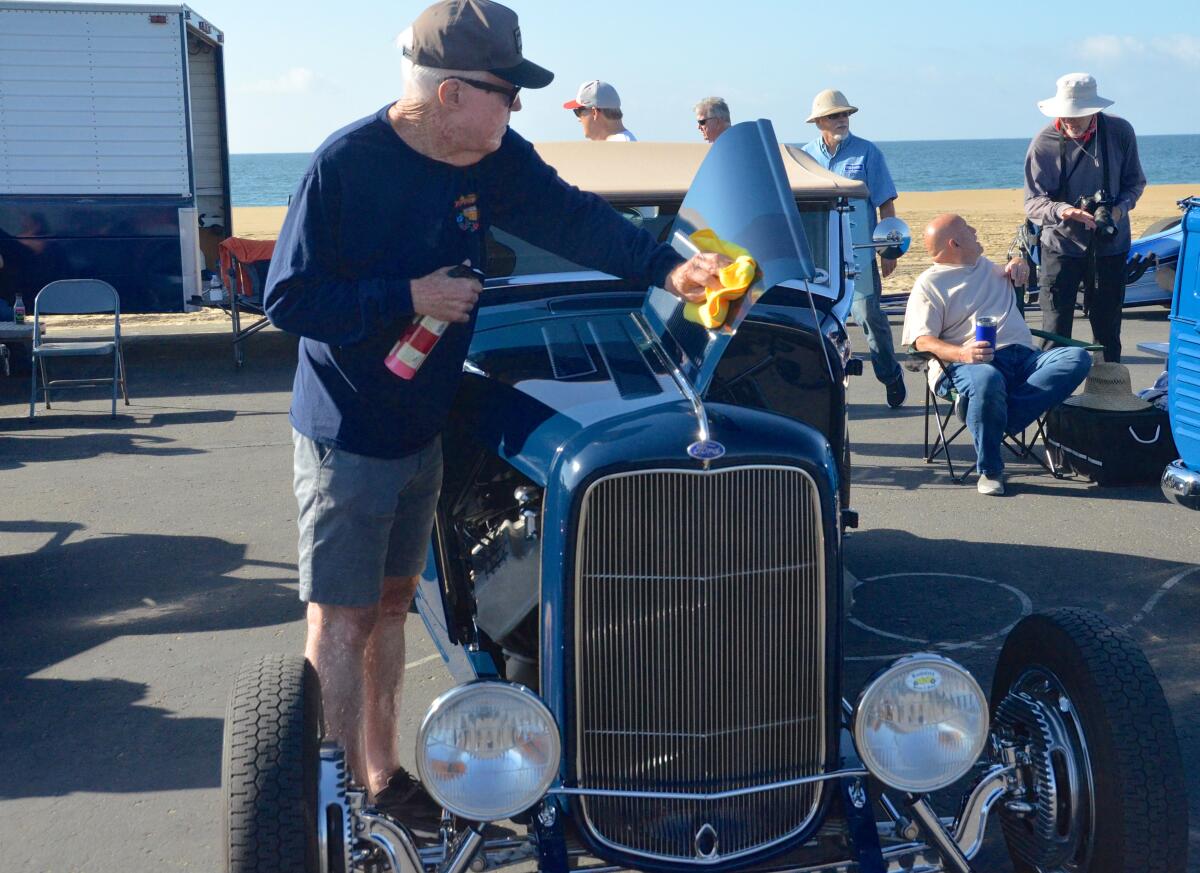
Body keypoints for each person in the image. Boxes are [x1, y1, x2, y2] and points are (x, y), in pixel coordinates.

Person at [263, 0, 725, 832]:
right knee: (341, 616)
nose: (516, 108)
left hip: (423, 420)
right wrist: (409, 296)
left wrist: (669, 267)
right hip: (350, 430)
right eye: (504, 92)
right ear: (448, 96)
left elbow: (570, 215)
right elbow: (289, 299)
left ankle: (378, 774)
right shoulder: (345, 165)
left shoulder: (491, 156)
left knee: (396, 601)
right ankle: (326, 810)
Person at [902, 214, 1092, 495]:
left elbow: (1018, 268)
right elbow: (922, 341)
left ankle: (995, 418)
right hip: (968, 366)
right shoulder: (930, 284)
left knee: (1076, 358)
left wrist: (1020, 265)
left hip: (1025, 359)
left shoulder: (990, 268)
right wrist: (962, 353)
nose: (976, 229)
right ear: (954, 243)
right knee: (987, 380)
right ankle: (990, 470)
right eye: (968, 228)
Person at [1024, 72, 1145, 363]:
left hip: (1110, 246)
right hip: (1061, 247)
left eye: (1077, 115)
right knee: (1055, 333)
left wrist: (1115, 210)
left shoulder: (1119, 132)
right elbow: (1032, 203)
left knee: (1107, 334)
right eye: (1065, 115)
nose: (1070, 121)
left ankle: (1106, 401)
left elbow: (1135, 183)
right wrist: (1063, 211)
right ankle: (1053, 406)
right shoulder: (1044, 142)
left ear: (1095, 111)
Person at [801, 88, 906, 408]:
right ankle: (825, 391)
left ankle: (890, 375)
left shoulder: (867, 153)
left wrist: (889, 249)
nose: (842, 120)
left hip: (860, 255)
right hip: (820, 260)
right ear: (819, 121)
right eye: (835, 115)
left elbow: (885, 201)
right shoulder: (804, 156)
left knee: (869, 317)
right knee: (818, 325)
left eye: (845, 114)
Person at [563, 80, 637, 141]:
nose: (579, 119)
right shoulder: (621, 142)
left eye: (578, 112)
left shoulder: (619, 146)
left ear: (594, 112)